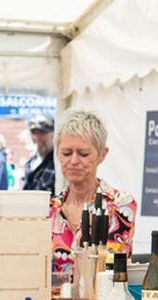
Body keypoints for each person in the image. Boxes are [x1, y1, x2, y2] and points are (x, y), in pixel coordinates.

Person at [50, 110, 137, 276]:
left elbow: (110, 264)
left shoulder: (120, 204)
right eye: (66, 153)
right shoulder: (49, 209)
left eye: (83, 154)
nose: (73, 161)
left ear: (102, 155)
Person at [22, 114, 56, 193]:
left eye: (42, 132)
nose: (37, 137)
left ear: (54, 134)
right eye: (34, 132)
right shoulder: (30, 162)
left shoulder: (58, 163)